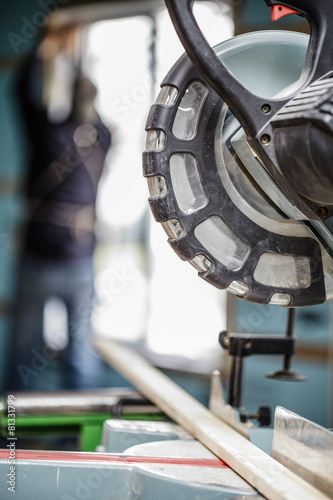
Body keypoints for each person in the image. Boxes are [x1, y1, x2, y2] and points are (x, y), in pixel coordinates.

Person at [6, 28, 111, 392]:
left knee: (22, 353)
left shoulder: (47, 132)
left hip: (40, 255)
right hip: (81, 257)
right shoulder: (102, 139)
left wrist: (44, 46)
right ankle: (78, 446)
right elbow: (95, 119)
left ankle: (9, 439)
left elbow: (19, 90)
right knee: (81, 355)